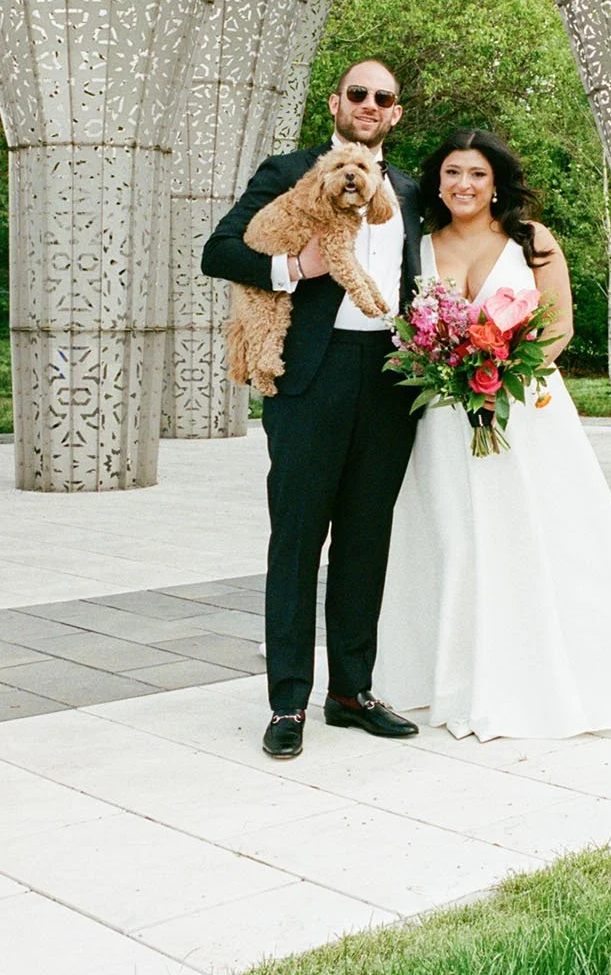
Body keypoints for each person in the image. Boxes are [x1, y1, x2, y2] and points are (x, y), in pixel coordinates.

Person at [374, 128, 611, 740]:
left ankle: (539, 677)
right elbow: (408, 329)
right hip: (442, 417)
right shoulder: (421, 246)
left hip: (525, 409)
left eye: (478, 174)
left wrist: (495, 378)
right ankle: (445, 674)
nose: (464, 184)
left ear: (496, 184)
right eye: (453, 172)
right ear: (437, 181)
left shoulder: (531, 240)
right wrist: (449, 373)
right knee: (452, 533)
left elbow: (558, 325)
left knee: (536, 533)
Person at [201, 59, 423, 759]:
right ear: (336, 102)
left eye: (381, 97)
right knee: (297, 540)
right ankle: (287, 703)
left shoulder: (412, 190)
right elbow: (219, 251)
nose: (368, 103)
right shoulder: (289, 170)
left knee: (367, 539)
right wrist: (293, 269)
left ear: (395, 114)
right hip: (311, 378)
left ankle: (352, 693)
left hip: (391, 379)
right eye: (356, 93)